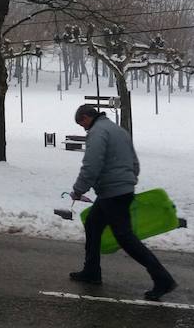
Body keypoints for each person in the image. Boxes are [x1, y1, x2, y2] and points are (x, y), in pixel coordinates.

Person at [68, 104, 177, 301]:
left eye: (81, 123)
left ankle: (163, 279)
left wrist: (78, 190)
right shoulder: (118, 130)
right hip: (117, 190)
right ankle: (91, 271)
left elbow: (91, 164)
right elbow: (135, 163)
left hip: (113, 192)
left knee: (126, 238)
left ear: (86, 117)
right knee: (93, 225)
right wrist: (129, 181)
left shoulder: (97, 132)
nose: (83, 128)